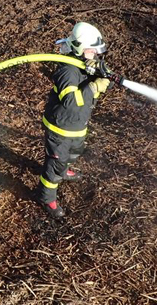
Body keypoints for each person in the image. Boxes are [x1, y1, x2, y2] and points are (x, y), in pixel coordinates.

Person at [37, 22, 113, 220]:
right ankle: (47, 198)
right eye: (91, 51)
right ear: (79, 48)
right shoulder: (67, 71)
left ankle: (63, 171)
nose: (95, 55)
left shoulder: (85, 64)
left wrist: (101, 73)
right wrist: (95, 88)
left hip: (78, 125)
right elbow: (71, 101)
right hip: (60, 129)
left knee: (76, 150)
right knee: (54, 166)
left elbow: (101, 80)